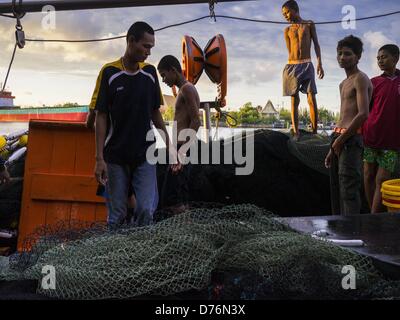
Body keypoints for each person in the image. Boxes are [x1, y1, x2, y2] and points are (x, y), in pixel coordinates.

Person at [92, 21, 170, 227]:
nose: (148, 52)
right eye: (145, 46)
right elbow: (100, 117)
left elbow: (155, 113)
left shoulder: (150, 73)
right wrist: (99, 158)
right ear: (130, 41)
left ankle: (142, 254)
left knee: (145, 209)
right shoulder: (109, 73)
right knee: (116, 215)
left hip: (145, 153)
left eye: (151, 47)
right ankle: (115, 256)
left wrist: (169, 144)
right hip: (115, 156)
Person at [325, 35, 372, 215]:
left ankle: (352, 231)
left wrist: (341, 140)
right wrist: (333, 146)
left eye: (347, 54)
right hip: (338, 136)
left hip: (351, 139)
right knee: (337, 188)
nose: (342, 57)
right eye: (339, 54)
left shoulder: (360, 78)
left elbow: (363, 114)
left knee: (349, 188)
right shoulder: (343, 83)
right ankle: (340, 229)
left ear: (357, 57)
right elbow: (343, 115)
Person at [157, 55, 201, 213]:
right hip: (180, 147)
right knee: (179, 195)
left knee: (174, 200)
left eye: (163, 75)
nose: (163, 80)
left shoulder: (187, 89)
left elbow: (196, 121)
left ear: (173, 70)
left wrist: (181, 152)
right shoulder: (184, 89)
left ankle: (184, 233)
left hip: (184, 147)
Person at [362, 44, 400, 213]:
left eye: (384, 57)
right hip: (370, 137)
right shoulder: (373, 82)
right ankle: (374, 216)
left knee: (382, 179)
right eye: (378, 58)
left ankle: (373, 217)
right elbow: (364, 109)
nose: (380, 61)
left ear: (396, 58)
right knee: (368, 176)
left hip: (392, 141)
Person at [281, 0, 324, 140]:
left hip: (307, 64)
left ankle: (315, 131)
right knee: (294, 99)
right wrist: (292, 65)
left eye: (287, 12)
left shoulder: (309, 24)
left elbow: (316, 44)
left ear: (295, 9)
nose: (285, 16)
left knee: (311, 97)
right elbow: (289, 51)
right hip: (292, 65)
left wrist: (319, 63)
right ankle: (296, 132)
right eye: (283, 14)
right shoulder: (287, 30)